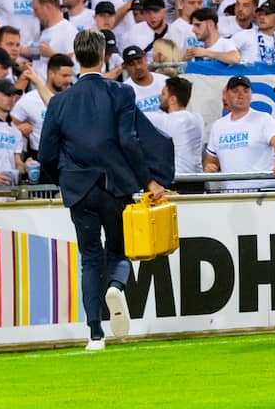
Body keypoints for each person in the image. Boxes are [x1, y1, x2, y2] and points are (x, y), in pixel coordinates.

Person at [37, 29, 168, 351]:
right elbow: (129, 140)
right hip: (116, 185)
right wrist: (147, 180)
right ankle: (116, 286)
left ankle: (95, 334)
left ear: (76, 56)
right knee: (119, 251)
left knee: (89, 259)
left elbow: (45, 154)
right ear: (103, 56)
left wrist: (65, 180)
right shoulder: (121, 93)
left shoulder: (58, 102)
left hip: (79, 189)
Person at [202, 74, 275, 191]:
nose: (240, 95)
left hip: (262, 191)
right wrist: (210, 166)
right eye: (235, 91)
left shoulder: (264, 119)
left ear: (251, 95)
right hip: (230, 193)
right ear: (226, 95)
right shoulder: (218, 126)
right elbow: (211, 157)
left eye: (245, 91)